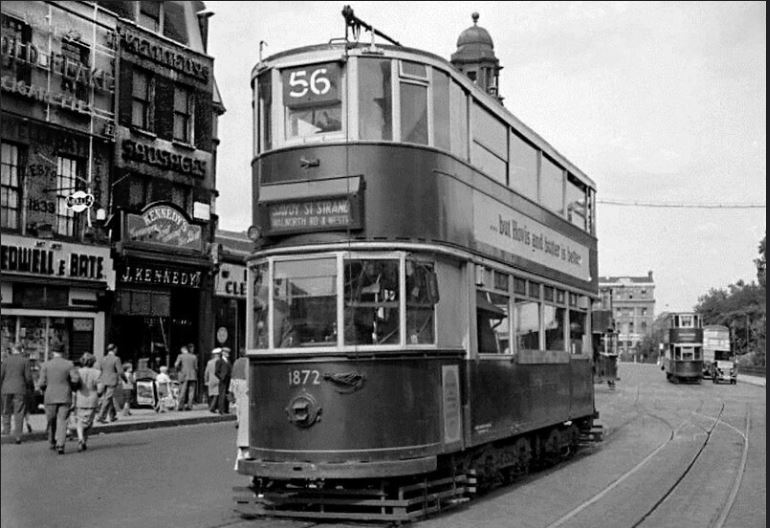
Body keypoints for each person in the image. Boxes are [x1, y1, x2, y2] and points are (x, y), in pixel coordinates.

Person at [37, 349, 77, 454]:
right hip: (65, 395)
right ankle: (61, 444)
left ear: (52, 352)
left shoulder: (45, 365)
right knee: (63, 420)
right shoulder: (69, 364)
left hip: (50, 396)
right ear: (62, 352)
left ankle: (51, 441)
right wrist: (70, 386)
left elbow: (41, 383)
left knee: (51, 420)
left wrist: (45, 387)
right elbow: (75, 379)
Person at [1, 344, 32, 444]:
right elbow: (28, 377)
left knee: (6, 410)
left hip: (6, 389)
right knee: (19, 411)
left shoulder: (6, 360)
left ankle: (6, 430)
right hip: (20, 389)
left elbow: (1, 375)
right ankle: (18, 435)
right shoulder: (25, 360)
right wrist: (29, 387)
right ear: (21, 350)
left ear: (13, 350)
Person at [73, 353, 101, 451]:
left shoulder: (77, 371)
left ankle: (80, 439)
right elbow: (100, 389)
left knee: (79, 421)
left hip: (80, 398)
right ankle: (85, 439)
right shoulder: (97, 373)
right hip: (92, 399)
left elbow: (74, 385)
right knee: (89, 422)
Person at [230, 348, 249, 470]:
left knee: (239, 404)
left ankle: (238, 417)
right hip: (244, 384)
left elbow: (232, 375)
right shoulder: (248, 362)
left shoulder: (236, 362)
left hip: (236, 383)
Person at [96, 343, 123, 423]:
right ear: (114, 349)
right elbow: (120, 371)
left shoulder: (103, 358)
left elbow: (100, 368)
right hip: (112, 380)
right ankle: (100, 416)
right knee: (107, 398)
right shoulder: (116, 359)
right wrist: (125, 379)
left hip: (103, 379)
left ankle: (112, 415)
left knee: (108, 397)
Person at [174, 344, 198, 411]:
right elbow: (196, 367)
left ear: (183, 350)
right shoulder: (194, 356)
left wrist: (178, 370)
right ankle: (189, 406)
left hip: (184, 375)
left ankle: (181, 406)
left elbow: (176, 365)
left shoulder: (180, 356)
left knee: (183, 391)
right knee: (191, 391)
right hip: (193, 376)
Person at [214, 348, 232, 414]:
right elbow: (216, 372)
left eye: (228, 352)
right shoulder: (219, 361)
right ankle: (221, 409)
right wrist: (221, 377)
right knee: (222, 394)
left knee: (227, 394)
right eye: (226, 352)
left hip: (228, 379)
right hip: (223, 380)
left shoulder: (228, 361)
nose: (228, 354)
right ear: (223, 353)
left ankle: (226, 409)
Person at [205, 348, 221, 413]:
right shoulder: (220, 361)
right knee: (216, 394)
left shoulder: (209, 362)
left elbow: (206, 372)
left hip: (211, 380)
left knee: (211, 394)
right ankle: (212, 407)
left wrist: (206, 380)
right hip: (218, 379)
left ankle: (211, 406)